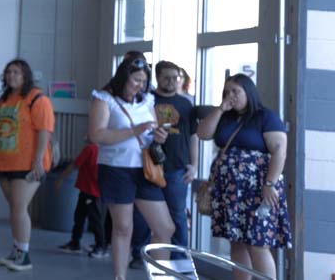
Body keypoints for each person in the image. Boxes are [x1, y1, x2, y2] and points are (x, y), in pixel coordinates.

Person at [197, 74, 291, 280]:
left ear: (249, 92)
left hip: (258, 188)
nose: (230, 96)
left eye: (235, 91)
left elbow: (279, 151)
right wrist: (220, 109)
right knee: (236, 242)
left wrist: (270, 183)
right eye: (226, 91)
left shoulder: (265, 116)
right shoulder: (225, 116)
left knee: (257, 243)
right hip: (230, 189)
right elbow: (203, 133)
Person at [89, 55, 175, 280]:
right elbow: (97, 135)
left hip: (146, 169)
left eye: (143, 82)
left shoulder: (147, 101)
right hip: (116, 168)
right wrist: (133, 131)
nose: (140, 86)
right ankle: (120, 276)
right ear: (123, 77)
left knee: (165, 228)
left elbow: (152, 133)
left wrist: (159, 136)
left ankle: (161, 276)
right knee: (123, 227)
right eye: (135, 80)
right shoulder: (104, 98)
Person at [0, 59, 54, 272]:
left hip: (28, 163)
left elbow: (45, 130)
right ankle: (17, 249)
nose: (11, 76)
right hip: (5, 161)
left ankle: (24, 255)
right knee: (15, 208)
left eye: (16, 72)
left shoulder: (37, 98)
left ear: (26, 75)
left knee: (19, 207)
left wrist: (38, 161)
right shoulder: (3, 100)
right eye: (8, 72)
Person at [131, 61, 197, 257]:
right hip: (147, 166)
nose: (171, 81)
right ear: (157, 78)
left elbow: (193, 136)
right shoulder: (146, 101)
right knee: (142, 215)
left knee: (178, 215)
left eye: (175, 78)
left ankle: (179, 258)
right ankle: (139, 255)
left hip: (176, 169)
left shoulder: (186, 104)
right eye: (166, 77)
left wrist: (194, 164)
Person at [55, 138, 108, 258]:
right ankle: (75, 243)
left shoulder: (90, 149)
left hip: (91, 192)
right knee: (79, 216)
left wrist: (61, 178)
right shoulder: (102, 150)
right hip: (88, 191)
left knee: (94, 219)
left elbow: (74, 164)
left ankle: (101, 246)